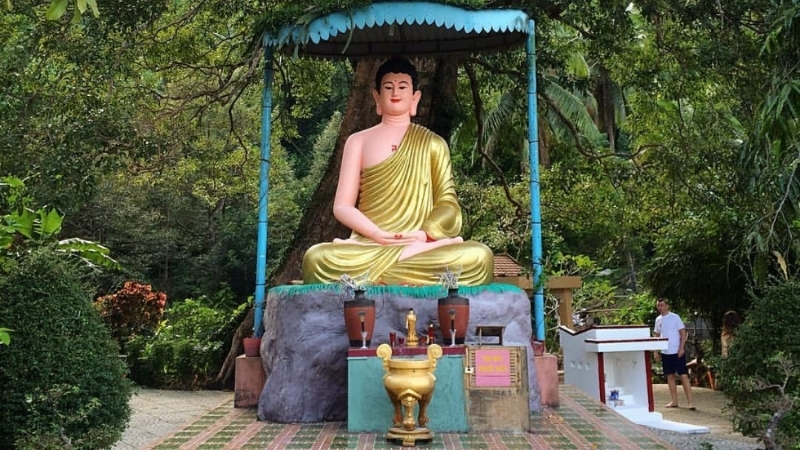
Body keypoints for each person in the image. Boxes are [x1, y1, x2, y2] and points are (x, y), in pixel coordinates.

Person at [302, 57, 494, 286]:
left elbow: (448, 205)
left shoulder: (433, 144)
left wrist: (423, 234)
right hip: (371, 245)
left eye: (403, 87)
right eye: (388, 87)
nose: (395, 92)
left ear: (415, 97)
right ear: (377, 97)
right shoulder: (358, 141)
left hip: (418, 245)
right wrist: (376, 234)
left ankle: (382, 274)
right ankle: (399, 270)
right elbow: (342, 206)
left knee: (480, 257)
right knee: (315, 259)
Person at [654, 297, 695, 410]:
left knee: (683, 375)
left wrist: (681, 348)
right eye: (658, 305)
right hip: (665, 352)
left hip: (676, 351)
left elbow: (682, 333)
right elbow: (657, 335)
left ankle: (690, 402)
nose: (660, 308)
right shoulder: (658, 320)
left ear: (667, 306)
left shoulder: (675, 317)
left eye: (662, 305)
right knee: (670, 376)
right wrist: (655, 351)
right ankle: (674, 401)